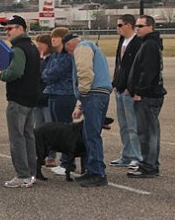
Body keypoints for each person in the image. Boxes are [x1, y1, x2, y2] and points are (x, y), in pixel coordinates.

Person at [63, 33, 112, 187]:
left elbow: (84, 71)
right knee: (90, 134)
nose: (70, 54)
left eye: (67, 51)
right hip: (99, 94)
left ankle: (97, 173)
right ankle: (92, 170)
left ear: (69, 45)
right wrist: (80, 104)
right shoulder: (93, 47)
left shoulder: (82, 47)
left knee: (91, 135)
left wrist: (83, 94)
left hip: (93, 95)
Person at [0, 15, 40, 188]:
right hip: (31, 98)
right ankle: (31, 173)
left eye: (10, 28)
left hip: (18, 99)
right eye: (6, 28)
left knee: (17, 138)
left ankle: (22, 175)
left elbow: (15, 72)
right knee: (28, 136)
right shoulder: (32, 47)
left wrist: (1, 73)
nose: (7, 31)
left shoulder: (18, 49)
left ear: (21, 29)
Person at [127, 15, 166, 178]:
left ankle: (148, 166)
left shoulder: (149, 45)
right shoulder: (148, 43)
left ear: (150, 27)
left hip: (148, 96)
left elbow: (149, 72)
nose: (137, 28)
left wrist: (140, 92)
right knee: (148, 131)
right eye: (136, 25)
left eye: (140, 26)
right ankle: (150, 164)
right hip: (150, 95)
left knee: (147, 132)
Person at [42, 27, 76, 175]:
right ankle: (64, 162)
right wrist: (48, 74)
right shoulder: (55, 56)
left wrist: (48, 74)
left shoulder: (68, 56)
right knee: (57, 129)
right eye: (52, 37)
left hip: (65, 94)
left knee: (65, 129)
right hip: (53, 93)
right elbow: (45, 73)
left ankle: (68, 162)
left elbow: (54, 73)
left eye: (56, 37)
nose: (53, 39)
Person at [110, 14, 142, 169]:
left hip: (130, 91)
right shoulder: (122, 41)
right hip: (120, 89)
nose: (118, 28)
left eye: (120, 25)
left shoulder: (138, 42)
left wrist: (132, 88)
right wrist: (116, 83)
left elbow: (137, 69)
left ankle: (137, 156)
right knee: (123, 125)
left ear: (129, 25)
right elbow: (119, 65)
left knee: (132, 126)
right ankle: (126, 155)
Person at [33, 34, 55, 167]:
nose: (39, 46)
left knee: (50, 127)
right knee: (38, 129)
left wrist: (40, 60)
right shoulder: (38, 58)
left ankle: (51, 155)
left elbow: (44, 75)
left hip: (48, 98)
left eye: (41, 43)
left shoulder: (52, 59)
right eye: (37, 44)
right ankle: (40, 154)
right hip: (37, 98)